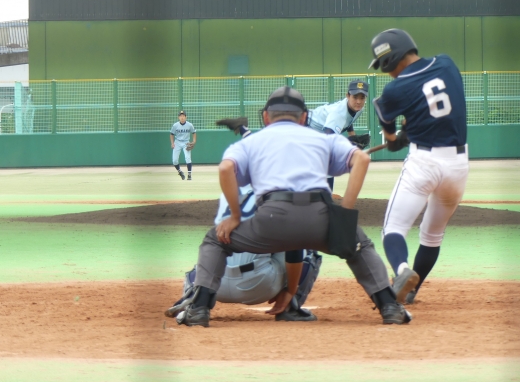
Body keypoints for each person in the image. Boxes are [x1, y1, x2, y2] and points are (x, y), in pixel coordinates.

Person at [176, 86, 411, 327]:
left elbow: (226, 168)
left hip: (271, 219)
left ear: (266, 117)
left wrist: (235, 216)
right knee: (359, 246)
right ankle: (389, 307)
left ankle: (199, 308)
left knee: (215, 241)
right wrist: (344, 214)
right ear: (304, 117)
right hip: (320, 217)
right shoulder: (323, 139)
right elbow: (361, 158)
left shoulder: (251, 142)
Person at [165, 121, 322, 323]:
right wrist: (290, 289)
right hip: (261, 283)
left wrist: (242, 130)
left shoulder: (231, 185)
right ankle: (290, 307)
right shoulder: (283, 187)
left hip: (217, 284)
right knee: (305, 244)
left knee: (208, 254)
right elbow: (295, 248)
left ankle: (196, 304)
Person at [369, 28, 469, 305]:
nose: (386, 71)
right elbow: (441, 105)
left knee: (393, 229)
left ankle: (402, 271)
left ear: (391, 59)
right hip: (458, 165)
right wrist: (410, 127)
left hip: (424, 163)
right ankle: (411, 291)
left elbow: (388, 128)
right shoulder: (447, 63)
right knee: (433, 235)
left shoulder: (395, 88)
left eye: (383, 64)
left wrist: (395, 139)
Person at [308, 80, 370, 191]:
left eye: (362, 98)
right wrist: (350, 148)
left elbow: (349, 121)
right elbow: (328, 141)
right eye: (355, 97)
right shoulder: (338, 114)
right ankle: (326, 196)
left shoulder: (358, 109)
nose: (359, 101)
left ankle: (325, 195)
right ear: (348, 96)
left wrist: (352, 136)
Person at [170, 110, 196, 180]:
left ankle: (189, 175)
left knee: (188, 158)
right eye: (180, 116)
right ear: (178, 117)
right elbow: (171, 134)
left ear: (186, 117)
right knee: (174, 160)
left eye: (183, 116)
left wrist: (194, 141)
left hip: (186, 142)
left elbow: (194, 132)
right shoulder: (175, 125)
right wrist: (172, 143)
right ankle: (180, 171)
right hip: (177, 142)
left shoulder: (189, 125)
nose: (182, 117)